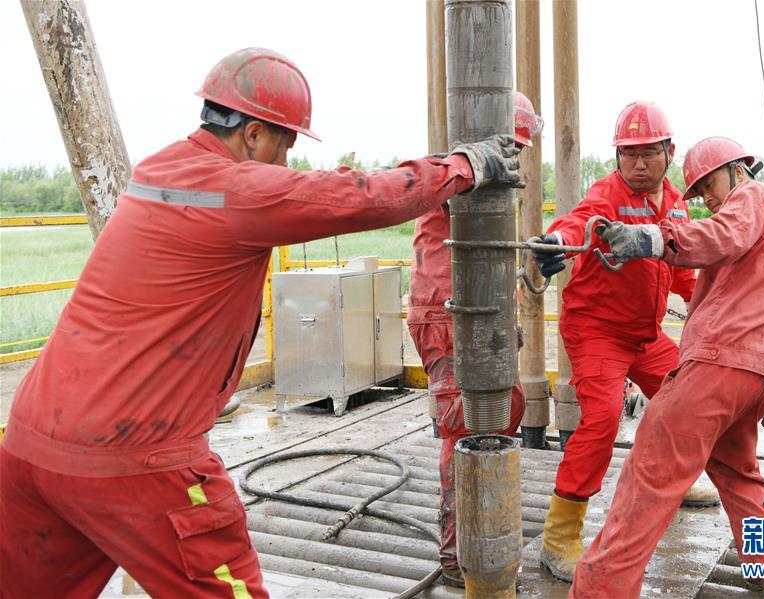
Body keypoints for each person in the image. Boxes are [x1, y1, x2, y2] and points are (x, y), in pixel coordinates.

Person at [0, 47, 522, 599]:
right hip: (137, 458)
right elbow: (356, 197)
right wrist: (465, 167)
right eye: (286, 143)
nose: (286, 159)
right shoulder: (235, 189)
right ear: (252, 134)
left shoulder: (158, 170)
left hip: (30, 445)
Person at [570, 137, 764, 599]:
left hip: (722, 364)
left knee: (650, 466)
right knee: (738, 473)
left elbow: (724, 235)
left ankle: (599, 592)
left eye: (709, 185)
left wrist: (653, 237)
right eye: (700, 193)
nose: (708, 199)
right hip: (760, 378)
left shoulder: (752, 198)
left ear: (737, 170)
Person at [531, 101, 697, 582]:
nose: (638, 163)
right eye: (629, 154)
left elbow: (686, 274)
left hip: (645, 336)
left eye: (648, 153)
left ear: (669, 152)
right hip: (597, 331)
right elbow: (579, 222)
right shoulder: (606, 194)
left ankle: (675, 481)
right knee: (602, 420)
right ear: (617, 156)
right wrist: (556, 244)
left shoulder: (676, 204)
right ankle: (560, 536)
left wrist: (714, 310)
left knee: (686, 395)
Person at [406, 90, 541, 587]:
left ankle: (482, 529)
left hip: (474, 308)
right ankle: (456, 550)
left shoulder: (489, 175)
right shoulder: (459, 171)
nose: (517, 159)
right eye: (514, 147)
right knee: (463, 425)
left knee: (509, 405)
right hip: (447, 312)